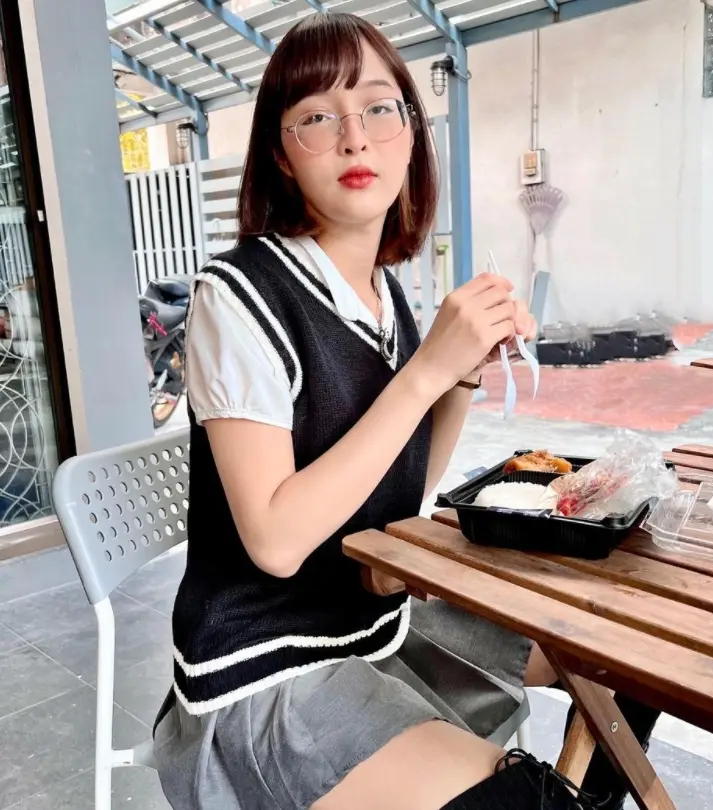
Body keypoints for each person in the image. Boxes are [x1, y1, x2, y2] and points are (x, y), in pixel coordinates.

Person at [153, 12, 655, 810]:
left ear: (411, 135)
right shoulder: (237, 295)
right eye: (317, 116)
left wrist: (461, 375)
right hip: (264, 672)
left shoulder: (385, 296)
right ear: (281, 155)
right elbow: (275, 542)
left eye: (378, 108)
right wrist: (425, 373)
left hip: (377, 626)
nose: (355, 137)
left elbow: (401, 492)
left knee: (627, 660)